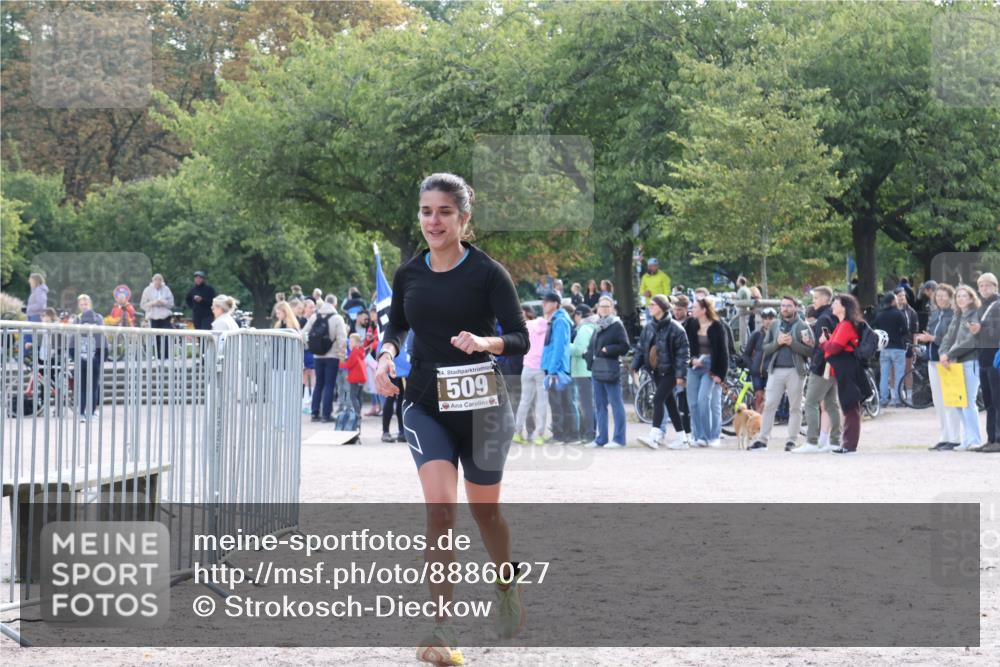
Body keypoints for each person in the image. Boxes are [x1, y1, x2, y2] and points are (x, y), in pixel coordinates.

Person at [374, 172, 528, 662]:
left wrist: (485, 342)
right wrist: (385, 355)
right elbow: (397, 325)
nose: (434, 221)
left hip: (483, 408)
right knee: (440, 511)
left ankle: (505, 583)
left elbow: (520, 337)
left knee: (486, 514)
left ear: (464, 217)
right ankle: (443, 629)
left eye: (444, 212)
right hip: (425, 403)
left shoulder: (488, 273)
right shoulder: (409, 273)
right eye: (426, 212)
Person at [752, 297, 813, 452]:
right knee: (769, 404)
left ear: (795, 307)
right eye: (783, 305)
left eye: (789, 306)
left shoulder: (803, 326)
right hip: (776, 370)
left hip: (796, 371)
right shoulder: (774, 325)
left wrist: (792, 343)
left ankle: (791, 440)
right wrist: (777, 343)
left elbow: (811, 351)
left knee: (795, 407)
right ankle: (762, 440)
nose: (785, 308)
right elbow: (765, 348)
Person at [632, 294, 690, 449]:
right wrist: (634, 366)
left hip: (671, 371)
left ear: (663, 308)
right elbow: (641, 348)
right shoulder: (648, 327)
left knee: (658, 399)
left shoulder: (676, 328)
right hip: (656, 371)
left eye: (653, 305)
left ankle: (653, 436)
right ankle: (682, 439)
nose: (650, 307)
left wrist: (680, 375)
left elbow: (683, 354)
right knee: (670, 403)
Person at [819, 294, 871, 454]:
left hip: (847, 368)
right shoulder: (842, 324)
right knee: (849, 405)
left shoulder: (846, 325)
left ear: (844, 307)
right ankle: (847, 443)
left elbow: (834, 348)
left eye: (835, 303)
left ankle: (849, 445)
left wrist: (823, 343)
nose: (832, 306)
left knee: (850, 406)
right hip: (846, 367)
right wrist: (828, 343)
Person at [937, 285, 984, 451]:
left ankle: (975, 439)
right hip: (954, 363)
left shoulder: (975, 315)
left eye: (964, 296)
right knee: (958, 402)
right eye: (958, 296)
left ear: (971, 298)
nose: (961, 299)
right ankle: (967, 439)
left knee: (969, 402)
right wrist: (942, 353)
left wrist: (949, 354)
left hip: (970, 362)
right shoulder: (957, 316)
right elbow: (947, 338)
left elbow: (972, 341)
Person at [800, 286, 843, 452]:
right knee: (831, 404)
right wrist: (814, 344)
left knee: (811, 402)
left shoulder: (824, 319)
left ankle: (811, 441)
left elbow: (827, 345)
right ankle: (835, 441)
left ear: (825, 299)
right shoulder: (832, 316)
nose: (813, 301)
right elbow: (826, 343)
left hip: (822, 366)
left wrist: (816, 355)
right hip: (832, 365)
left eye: (816, 298)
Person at [683, 297, 729, 447]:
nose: (692, 310)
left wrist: (720, 375)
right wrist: (691, 360)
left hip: (710, 367)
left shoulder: (717, 326)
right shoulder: (690, 324)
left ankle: (711, 436)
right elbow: (685, 346)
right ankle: (699, 436)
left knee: (704, 400)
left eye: (695, 307)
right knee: (693, 403)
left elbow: (723, 352)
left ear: (703, 310)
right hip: (694, 366)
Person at [585, 296, 630, 448]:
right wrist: (588, 357)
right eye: (601, 306)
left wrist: (608, 349)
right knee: (599, 405)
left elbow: (625, 346)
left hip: (610, 369)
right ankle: (601, 438)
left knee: (616, 404)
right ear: (597, 308)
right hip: (597, 369)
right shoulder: (597, 325)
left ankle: (619, 439)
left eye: (607, 306)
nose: (604, 309)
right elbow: (593, 346)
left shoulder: (617, 325)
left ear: (612, 308)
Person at [920, 284, 961, 450]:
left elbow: (952, 339)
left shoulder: (954, 315)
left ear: (951, 298)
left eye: (944, 295)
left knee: (950, 400)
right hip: (932, 360)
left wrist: (932, 338)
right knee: (938, 401)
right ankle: (944, 436)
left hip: (947, 361)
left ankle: (955, 438)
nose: (940, 299)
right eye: (938, 296)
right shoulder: (935, 314)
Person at [302, 295, 348, 423]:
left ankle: (315, 413)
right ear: (335, 304)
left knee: (318, 384)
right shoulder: (337, 318)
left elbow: (303, 333)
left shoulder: (314, 317)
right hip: (332, 356)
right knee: (329, 385)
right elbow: (342, 338)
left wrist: (309, 346)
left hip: (317, 355)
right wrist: (342, 356)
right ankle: (326, 415)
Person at [540, 291, 577, 444]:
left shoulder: (560, 321)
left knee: (559, 404)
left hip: (557, 369)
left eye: (546, 302)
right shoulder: (555, 320)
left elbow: (559, 347)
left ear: (555, 304)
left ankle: (561, 435)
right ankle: (565, 434)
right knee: (561, 403)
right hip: (555, 367)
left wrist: (552, 370)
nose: (543, 305)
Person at [513, 307, 550, 445]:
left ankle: (517, 433)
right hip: (541, 367)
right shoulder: (546, 325)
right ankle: (539, 435)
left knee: (524, 402)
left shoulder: (526, 325)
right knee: (542, 402)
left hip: (527, 367)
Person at [971, 273, 1000, 452]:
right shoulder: (982, 307)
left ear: (995, 287)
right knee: (988, 401)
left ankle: (998, 439)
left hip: (995, 358)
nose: (984, 289)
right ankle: (991, 438)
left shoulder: (998, 305)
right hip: (984, 358)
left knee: (997, 400)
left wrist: (980, 329)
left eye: (988, 285)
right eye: (981, 286)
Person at [873, 292, 909, 407]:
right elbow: (905, 330)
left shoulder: (880, 315)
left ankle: (883, 399)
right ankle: (898, 400)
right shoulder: (899, 314)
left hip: (884, 348)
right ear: (893, 301)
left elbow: (875, 329)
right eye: (896, 299)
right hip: (898, 347)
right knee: (899, 374)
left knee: (884, 375)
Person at [73, 294, 105, 421]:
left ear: (90, 304)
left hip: (93, 355)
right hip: (83, 356)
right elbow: (72, 338)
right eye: (81, 304)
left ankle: (90, 411)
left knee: (94, 385)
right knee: (84, 386)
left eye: (86, 304)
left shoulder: (98, 317)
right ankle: (82, 412)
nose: (84, 306)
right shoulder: (77, 318)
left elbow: (102, 336)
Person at [570, 304, 598, 445]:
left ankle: (589, 433)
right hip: (589, 370)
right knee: (589, 403)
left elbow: (578, 349)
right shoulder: (593, 327)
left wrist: (566, 345)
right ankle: (589, 432)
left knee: (586, 404)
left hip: (581, 370)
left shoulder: (583, 329)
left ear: (579, 315)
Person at [741, 307, 775, 412]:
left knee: (768, 400)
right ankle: (758, 420)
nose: (768, 321)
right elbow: (745, 354)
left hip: (771, 373)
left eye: (770, 318)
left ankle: (764, 420)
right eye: (765, 318)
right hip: (757, 374)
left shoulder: (778, 335)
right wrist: (753, 367)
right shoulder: (756, 335)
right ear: (762, 320)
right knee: (759, 397)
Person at [670, 295, 694, 441]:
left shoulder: (691, 324)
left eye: (679, 310)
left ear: (686, 309)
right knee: (674, 399)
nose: (676, 312)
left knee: (684, 400)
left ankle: (688, 431)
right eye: (675, 309)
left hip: (685, 365)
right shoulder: (671, 323)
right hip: (671, 365)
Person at [381, 330, 411, 443]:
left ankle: (402, 431)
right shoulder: (393, 328)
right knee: (391, 398)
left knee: (402, 401)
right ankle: (386, 431)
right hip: (393, 367)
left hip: (405, 369)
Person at [140, 274, 175, 358]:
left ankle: (166, 356)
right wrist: (153, 303)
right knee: (156, 339)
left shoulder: (166, 289)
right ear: (153, 281)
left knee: (167, 337)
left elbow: (171, 304)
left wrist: (163, 302)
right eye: (156, 280)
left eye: (159, 280)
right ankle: (158, 357)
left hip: (165, 317)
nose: (157, 282)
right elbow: (143, 305)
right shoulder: (147, 290)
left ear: (162, 281)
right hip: (153, 317)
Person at [344, 333, 368, 418]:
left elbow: (349, 365)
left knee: (353, 396)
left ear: (357, 343)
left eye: (352, 342)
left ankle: (357, 414)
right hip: (361, 377)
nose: (349, 343)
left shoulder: (355, 351)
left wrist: (342, 363)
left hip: (355, 378)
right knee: (359, 396)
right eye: (349, 342)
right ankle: (359, 412)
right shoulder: (361, 351)